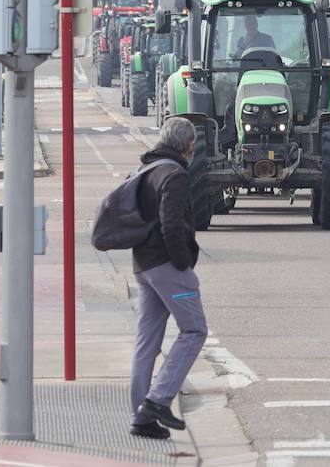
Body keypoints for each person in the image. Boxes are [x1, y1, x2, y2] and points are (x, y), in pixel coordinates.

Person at [129, 116, 208, 440]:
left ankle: (141, 418)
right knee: (194, 330)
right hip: (167, 268)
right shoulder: (174, 174)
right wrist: (183, 262)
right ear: (189, 146)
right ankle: (158, 401)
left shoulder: (146, 169)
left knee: (147, 342)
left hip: (143, 265)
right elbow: (171, 224)